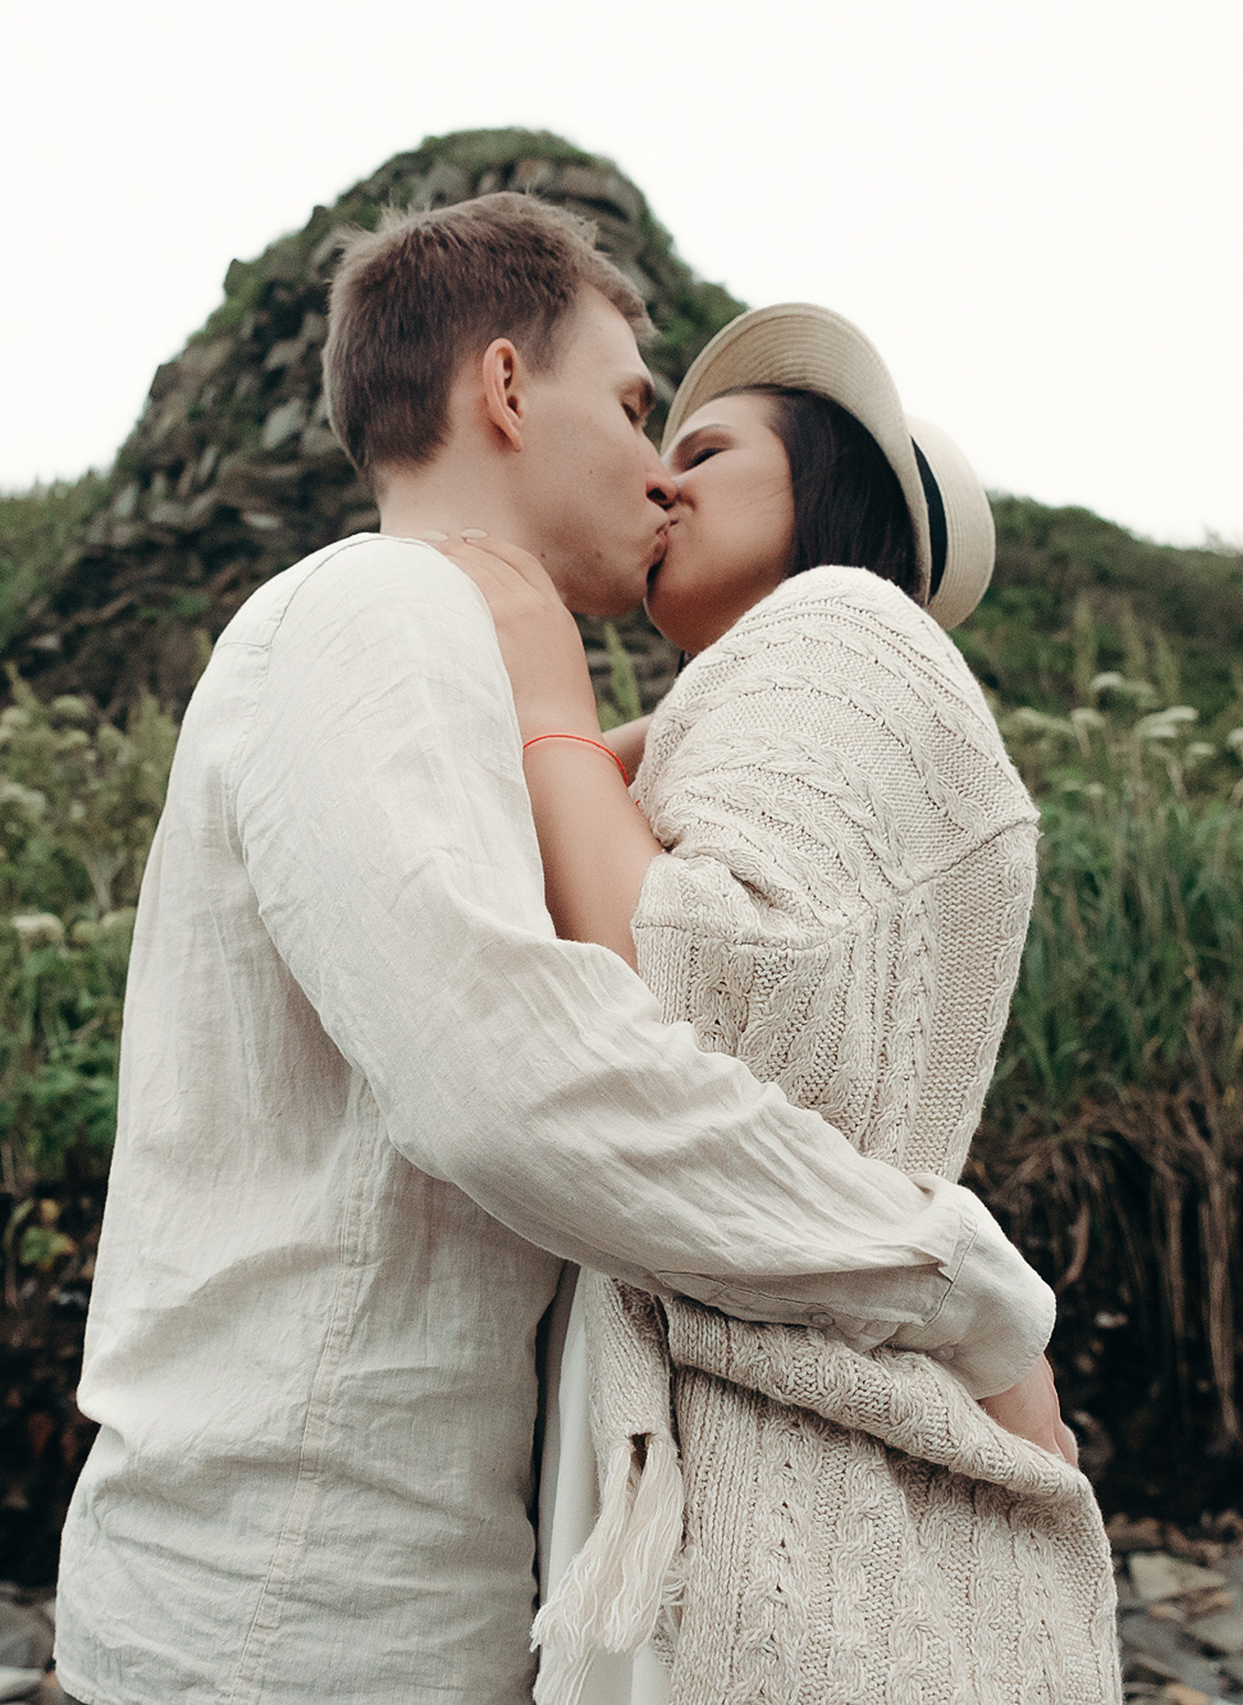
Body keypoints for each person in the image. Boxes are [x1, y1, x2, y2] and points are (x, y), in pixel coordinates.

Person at [51, 200, 1069, 1705]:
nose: (658, 466)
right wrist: (949, 1277)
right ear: (509, 390)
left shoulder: (431, 665)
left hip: (362, 1605)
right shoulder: (380, 606)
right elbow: (514, 1080)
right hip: (295, 1619)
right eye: (638, 406)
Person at [439, 302, 1120, 1703]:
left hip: (770, 1390)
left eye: (706, 446)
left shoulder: (842, 627)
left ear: (831, 487)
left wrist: (547, 688)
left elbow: (689, 998)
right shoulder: (751, 706)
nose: (661, 482)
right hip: (761, 1333)